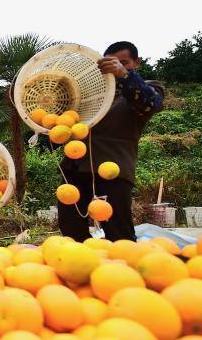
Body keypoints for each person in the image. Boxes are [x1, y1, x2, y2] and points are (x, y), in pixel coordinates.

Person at [58, 41, 165, 242]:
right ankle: (79, 268)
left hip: (113, 169)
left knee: (118, 231)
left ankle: (122, 269)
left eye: (124, 62)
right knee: (70, 228)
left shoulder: (147, 88)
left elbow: (151, 103)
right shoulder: (90, 94)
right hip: (75, 167)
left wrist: (124, 75)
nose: (116, 67)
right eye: (110, 63)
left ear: (137, 62)